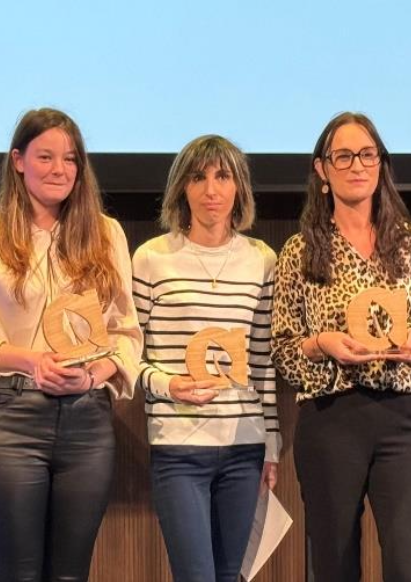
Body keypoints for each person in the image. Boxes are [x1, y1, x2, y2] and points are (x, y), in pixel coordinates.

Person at [0, 108, 141, 582]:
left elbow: (126, 335)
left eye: (70, 159)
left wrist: (93, 374)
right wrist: (30, 361)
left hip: (87, 422)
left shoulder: (106, 234)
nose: (59, 169)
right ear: (18, 161)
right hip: (11, 419)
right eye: (45, 156)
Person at [270, 112, 411, 582]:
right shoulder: (302, 250)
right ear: (322, 170)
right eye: (344, 156)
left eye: (368, 154)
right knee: (334, 565)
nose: (357, 165)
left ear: (381, 164)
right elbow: (283, 345)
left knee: (408, 565)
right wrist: (321, 344)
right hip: (332, 417)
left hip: (404, 417)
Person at [130, 135, 281, 582]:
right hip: (178, 447)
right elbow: (126, 352)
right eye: (199, 177)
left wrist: (270, 444)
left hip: (243, 447)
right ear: (182, 188)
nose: (211, 189)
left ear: (239, 188)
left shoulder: (262, 260)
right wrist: (167, 384)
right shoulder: (152, 259)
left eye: (222, 176)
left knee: (233, 575)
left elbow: (263, 361)